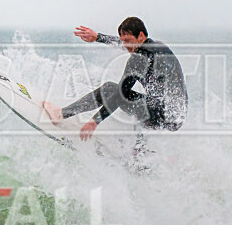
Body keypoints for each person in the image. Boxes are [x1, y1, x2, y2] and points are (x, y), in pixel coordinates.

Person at [41, 17, 187, 141]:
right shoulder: (157, 46)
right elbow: (126, 43)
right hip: (175, 116)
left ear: (141, 36)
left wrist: (94, 121)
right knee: (144, 109)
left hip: (162, 113)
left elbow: (120, 93)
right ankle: (140, 155)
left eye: (128, 40)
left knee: (109, 89)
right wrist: (98, 37)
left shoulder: (139, 58)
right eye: (123, 41)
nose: (125, 45)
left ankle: (60, 114)